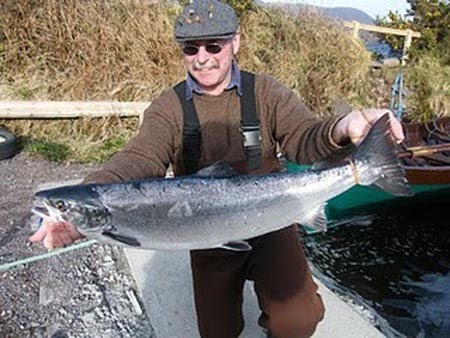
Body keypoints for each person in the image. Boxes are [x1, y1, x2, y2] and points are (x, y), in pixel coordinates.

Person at [29, 1, 404, 337]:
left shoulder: (266, 93)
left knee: (298, 320)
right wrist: (74, 207)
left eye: (214, 45)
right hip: (203, 228)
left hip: (272, 219)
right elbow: (137, 160)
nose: (202, 57)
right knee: (218, 332)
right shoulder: (169, 107)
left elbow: (305, 138)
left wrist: (345, 125)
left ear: (235, 42)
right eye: (191, 48)